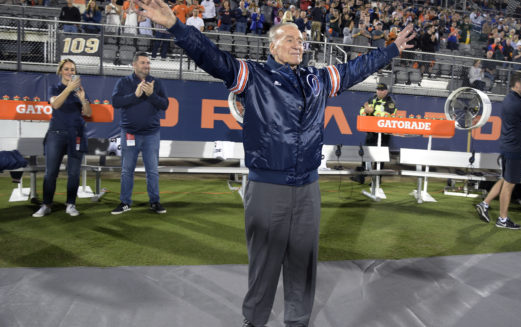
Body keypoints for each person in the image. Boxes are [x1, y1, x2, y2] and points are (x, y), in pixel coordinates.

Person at [136, 1, 414, 326]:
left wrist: (391, 49)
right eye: (291, 40)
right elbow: (212, 58)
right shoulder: (254, 76)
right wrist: (175, 26)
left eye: (302, 41)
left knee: (303, 265)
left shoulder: (318, 78)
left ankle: (297, 322)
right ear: (273, 46)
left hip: (308, 187)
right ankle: (254, 320)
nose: (299, 45)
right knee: (264, 266)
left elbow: (356, 68)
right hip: (267, 187)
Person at [475, 71, 521, 230]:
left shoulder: (508, 98)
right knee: (509, 184)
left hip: (508, 146)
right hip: (515, 148)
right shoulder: (519, 103)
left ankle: (484, 204)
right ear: (517, 84)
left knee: (505, 179)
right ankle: (502, 219)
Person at [110, 52, 169, 215]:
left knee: (152, 170)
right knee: (126, 170)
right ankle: (125, 202)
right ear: (134, 65)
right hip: (130, 133)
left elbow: (165, 105)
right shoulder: (123, 82)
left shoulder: (156, 83)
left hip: (151, 134)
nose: (146, 66)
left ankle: (155, 202)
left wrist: (151, 95)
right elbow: (116, 102)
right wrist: (135, 95)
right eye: (143, 63)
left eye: (148, 63)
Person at [32, 59, 92, 217]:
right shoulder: (54, 88)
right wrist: (68, 89)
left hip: (77, 135)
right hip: (56, 134)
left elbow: (88, 112)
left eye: (72, 69)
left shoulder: (80, 89)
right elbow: (55, 104)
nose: (70, 72)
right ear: (60, 71)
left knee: (73, 173)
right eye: (66, 69)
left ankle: (71, 204)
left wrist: (82, 99)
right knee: (50, 172)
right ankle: (46, 204)